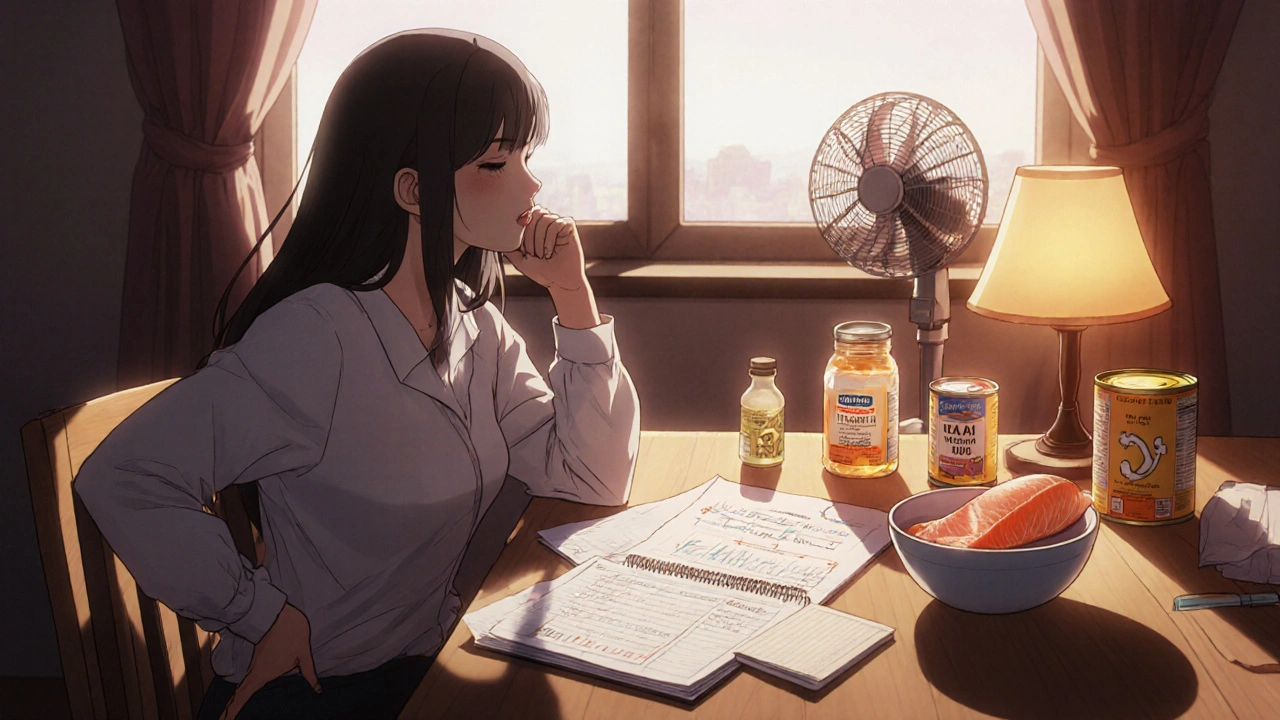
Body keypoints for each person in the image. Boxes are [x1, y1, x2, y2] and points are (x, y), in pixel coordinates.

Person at [74, 28, 640, 720]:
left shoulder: (474, 326)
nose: (530, 182)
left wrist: (574, 299)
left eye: (525, 154)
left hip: (419, 674)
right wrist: (256, 610)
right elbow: (121, 475)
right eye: (496, 162)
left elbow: (591, 477)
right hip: (312, 692)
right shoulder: (314, 339)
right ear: (412, 190)